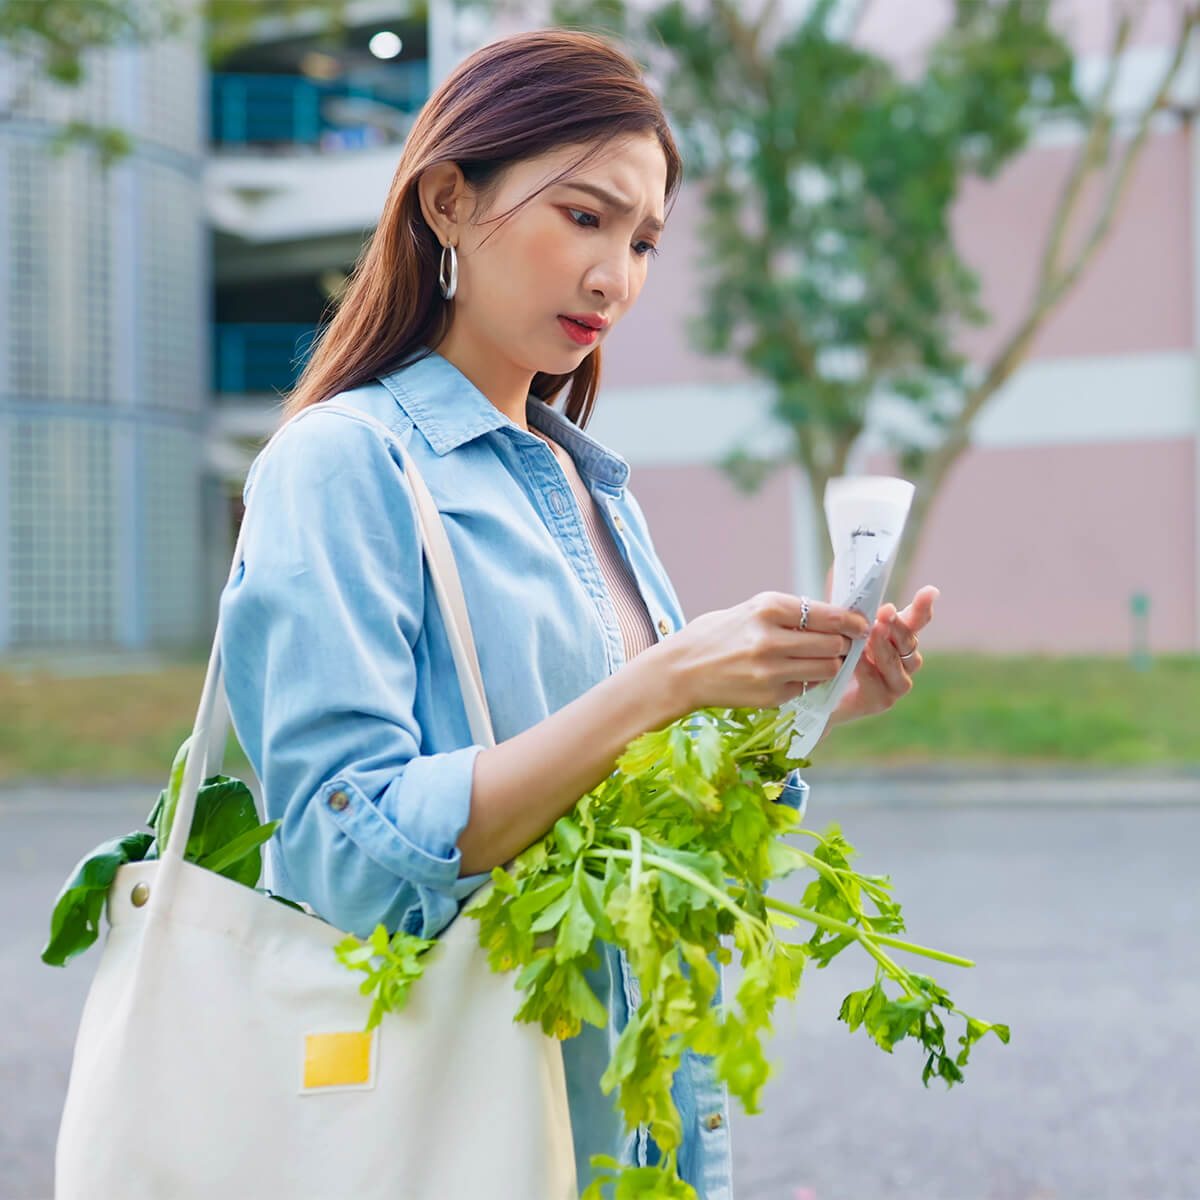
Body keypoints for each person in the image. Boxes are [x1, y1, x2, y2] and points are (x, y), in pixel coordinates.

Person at [217, 27, 938, 1199]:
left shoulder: (586, 484)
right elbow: (345, 856)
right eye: (587, 218)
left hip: (635, 1116)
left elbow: (634, 802)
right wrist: (657, 682)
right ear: (449, 201)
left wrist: (799, 709)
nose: (618, 277)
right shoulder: (342, 465)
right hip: (458, 1124)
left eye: (645, 239)